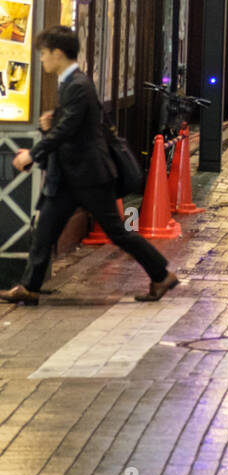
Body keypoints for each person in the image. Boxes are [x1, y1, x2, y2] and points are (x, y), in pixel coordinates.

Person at [0, 26, 178, 305]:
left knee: (117, 232)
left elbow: (69, 129)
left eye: (45, 54)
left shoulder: (78, 85)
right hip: (71, 176)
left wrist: (33, 154)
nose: (42, 60)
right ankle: (29, 287)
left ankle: (161, 274)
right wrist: (52, 124)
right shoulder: (72, 84)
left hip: (90, 176)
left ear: (58, 54)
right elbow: (72, 125)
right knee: (45, 228)